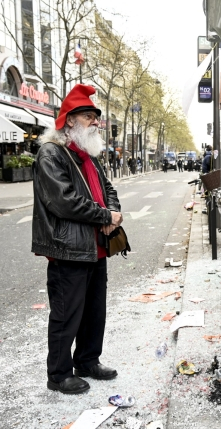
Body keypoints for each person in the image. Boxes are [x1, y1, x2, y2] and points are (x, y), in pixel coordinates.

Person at [32, 84, 123, 395]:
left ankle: (87, 360)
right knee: (66, 314)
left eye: (95, 117)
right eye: (88, 116)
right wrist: (104, 217)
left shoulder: (89, 155)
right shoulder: (51, 153)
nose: (95, 122)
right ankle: (58, 374)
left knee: (94, 311)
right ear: (69, 120)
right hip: (68, 249)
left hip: (94, 248)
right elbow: (64, 201)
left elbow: (108, 190)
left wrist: (113, 212)